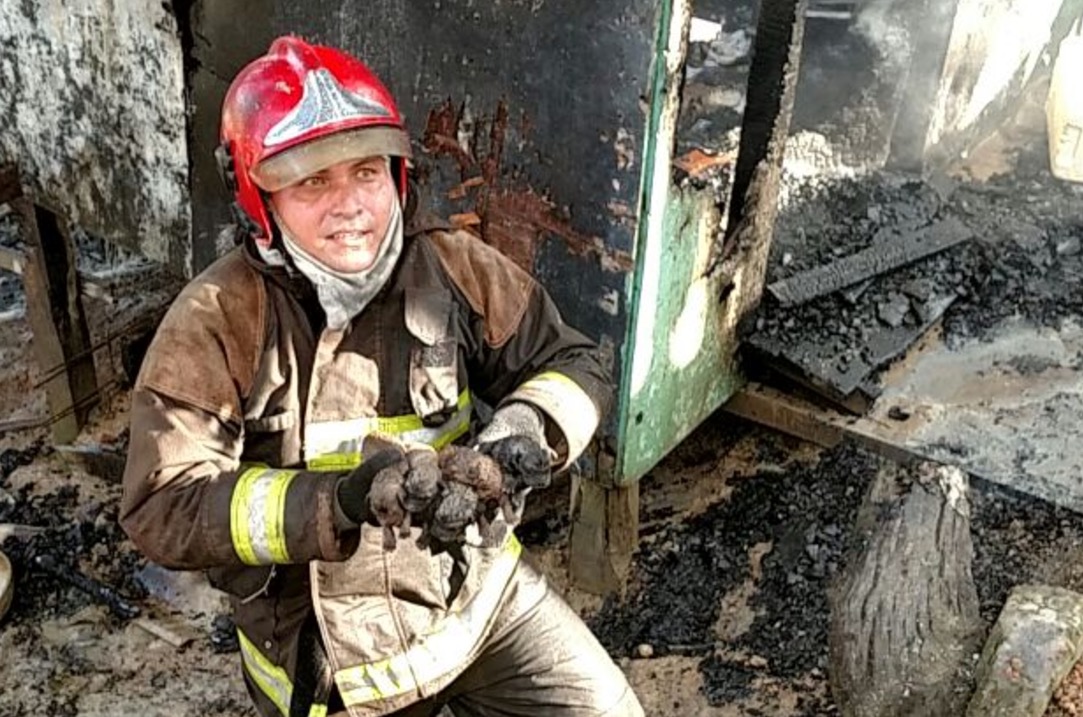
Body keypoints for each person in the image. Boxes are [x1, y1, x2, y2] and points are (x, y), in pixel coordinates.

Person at [120, 35, 644, 717]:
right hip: (334, 653)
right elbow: (161, 504)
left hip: (474, 597)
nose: (351, 206)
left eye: (367, 172)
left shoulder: (452, 265)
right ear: (257, 196)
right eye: (312, 181)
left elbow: (574, 362)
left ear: (398, 174)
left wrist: (523, 430)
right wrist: (335, 501)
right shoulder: (218, 320)